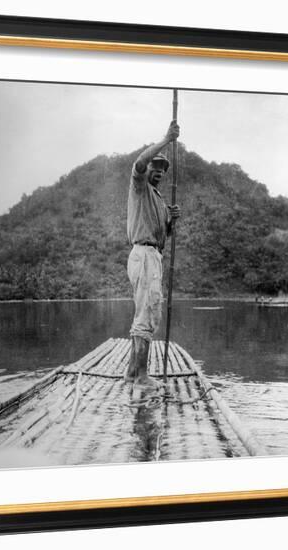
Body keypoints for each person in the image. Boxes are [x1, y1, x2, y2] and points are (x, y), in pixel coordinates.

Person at [125, 120, 181, 391]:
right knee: (146, 314)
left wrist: (171, 222)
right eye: (154, 166)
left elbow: (161, 239)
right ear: (146, 169)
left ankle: (132, 372)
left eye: (162, 168)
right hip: (144, 255)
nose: (157, 171)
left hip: (152, 255)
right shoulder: (139, 186)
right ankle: (141, 376)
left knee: (146, 312)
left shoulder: (158, 199)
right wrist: (166, 139)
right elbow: (138, 162)